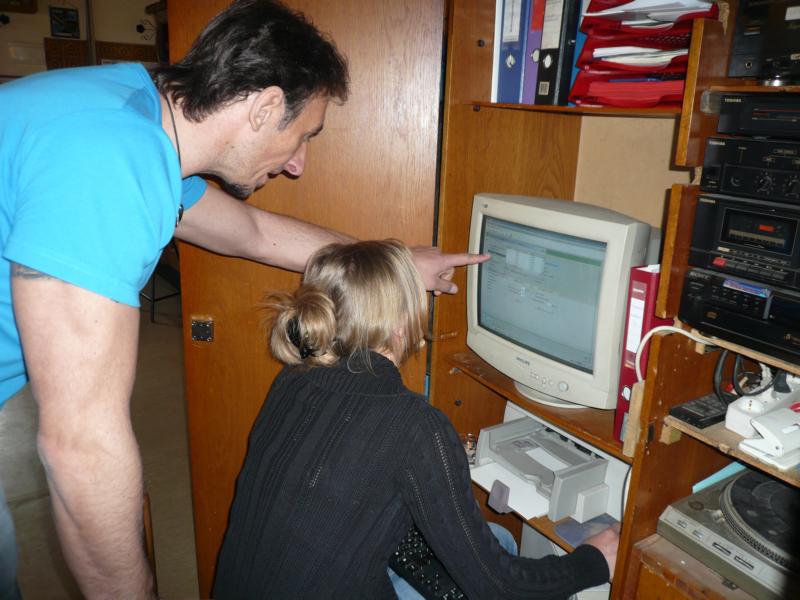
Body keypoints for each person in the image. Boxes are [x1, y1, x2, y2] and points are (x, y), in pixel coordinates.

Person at [0, 1, 487, 597]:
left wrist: (396, 262)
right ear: (264, 108)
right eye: (302, 136)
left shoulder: (137, 119)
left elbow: (252, 233)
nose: (298, 165)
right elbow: (80, 445)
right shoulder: (106, 161)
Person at [212, 239, 620, 599]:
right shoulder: (415, 426)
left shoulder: (293, 378)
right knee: (502, 545)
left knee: (480, 540)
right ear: (401, 327)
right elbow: (499, 587)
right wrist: (593, 561)